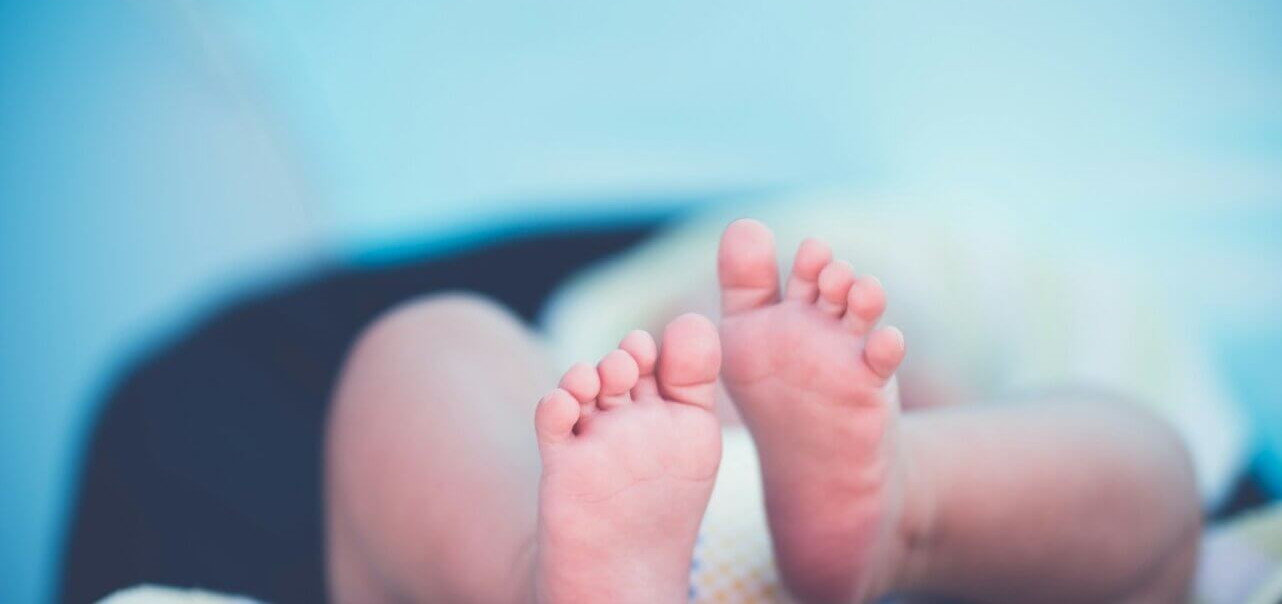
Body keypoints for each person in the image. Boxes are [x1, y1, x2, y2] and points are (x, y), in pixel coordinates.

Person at [324, 218, 1202, 603]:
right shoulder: (562, 427)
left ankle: (909, 507)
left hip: (932, 583)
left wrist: (912, 431)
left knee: (1148, 471)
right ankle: (538, 576)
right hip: (585, 546)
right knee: (432, 352)